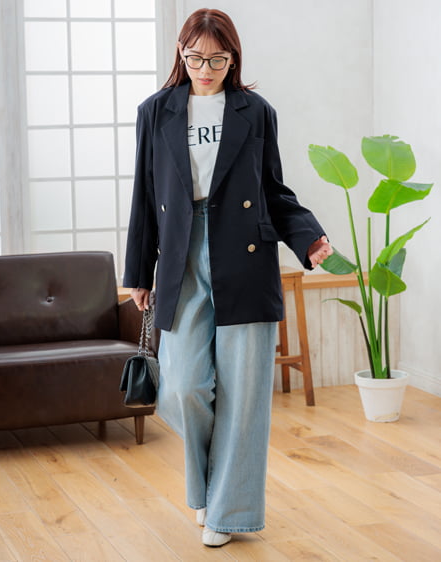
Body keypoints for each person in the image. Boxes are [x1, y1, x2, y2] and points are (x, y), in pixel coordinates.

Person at [124, 8, 332, 547]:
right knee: (183, 387)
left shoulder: (255, 112)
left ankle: (228, 513)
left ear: (233, 58)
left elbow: (274, 190)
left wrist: (308, 236)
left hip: (245, 255)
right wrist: (138, 272)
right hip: (180, 254)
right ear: (181, 52)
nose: (205, 70)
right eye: (195, 58)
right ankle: (209, 489)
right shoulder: (156, 111)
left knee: (243, 396)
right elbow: (144, 197)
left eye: (217, 60)